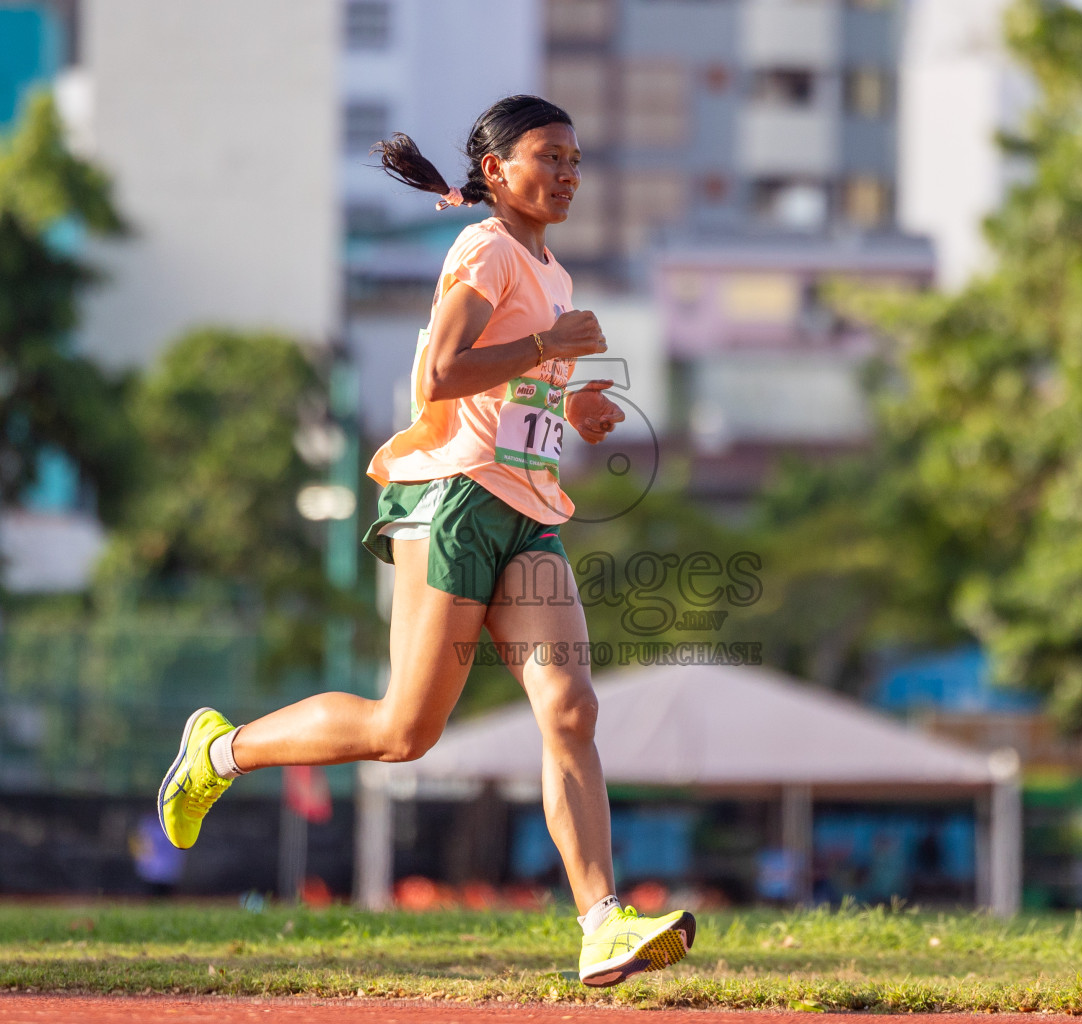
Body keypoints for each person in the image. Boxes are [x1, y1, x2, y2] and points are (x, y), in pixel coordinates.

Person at [156, 95, 695, 987]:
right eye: (548, 156)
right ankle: (220, 750)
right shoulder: (483, 248)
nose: (567, 173)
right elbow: (439, 377)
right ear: (496, 172)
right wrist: (548, 349)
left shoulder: (551, 270)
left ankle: (601, 923)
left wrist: (575, 402)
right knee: (404, 732)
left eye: (575, 160)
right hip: (452, 500)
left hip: (529, 509)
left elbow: (509, 392)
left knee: (571, 709)